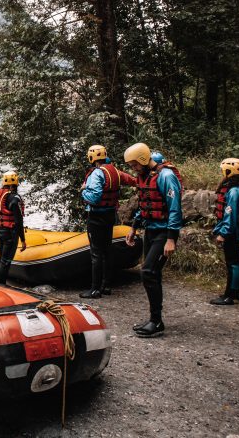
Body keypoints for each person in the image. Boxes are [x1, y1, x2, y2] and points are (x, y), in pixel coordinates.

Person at [123, 143, 183, 338]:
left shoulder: (166, 176)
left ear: (142, 159)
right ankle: (154, 320)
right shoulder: (146, 176)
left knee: (148, 271)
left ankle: (156, 322)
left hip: (164, 232)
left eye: (134, 165)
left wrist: (171, 239)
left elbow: (175, 208)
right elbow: (145, 204)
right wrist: (134, 227)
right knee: (152, 274)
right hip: (150, 230)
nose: (133, 169)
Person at [80, 145, 136, 298]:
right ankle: (106, 286)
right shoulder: (114, 171)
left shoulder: (97, 173)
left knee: (96, 254)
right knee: (107, 251)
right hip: (110, 216)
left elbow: (94, 197)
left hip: (97, 218)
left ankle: (95, 289)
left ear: (91, 158)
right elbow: (132, 180)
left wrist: (84, 190)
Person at [210, 158, 239, 305]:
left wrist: (223, 233)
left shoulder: (235, 190)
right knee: (236, 261)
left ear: (230, 171)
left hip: (232, 231)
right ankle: (236, 292)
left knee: (232, 262)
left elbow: (231, 214)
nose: (222, 173)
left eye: (224, 170)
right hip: (236, 230)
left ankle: (229, 295)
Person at [0, 171, 26, 285]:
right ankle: (1, 285)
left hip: (0, 230)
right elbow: (18, 221)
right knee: (6, 261)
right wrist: (23, 239)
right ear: (15, 183)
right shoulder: (13, 197)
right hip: (10, 233)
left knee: (1, 258)